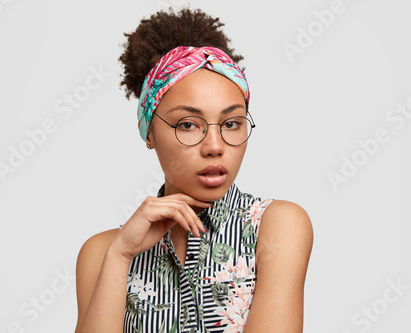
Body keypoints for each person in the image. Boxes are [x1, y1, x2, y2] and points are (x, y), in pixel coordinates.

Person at [74, 8, 313, 333]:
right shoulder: (102, 253)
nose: (214, 145)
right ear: (149, 133)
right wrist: (120, 255)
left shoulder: (276, 227)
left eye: (231, 123)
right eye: (188, 124)